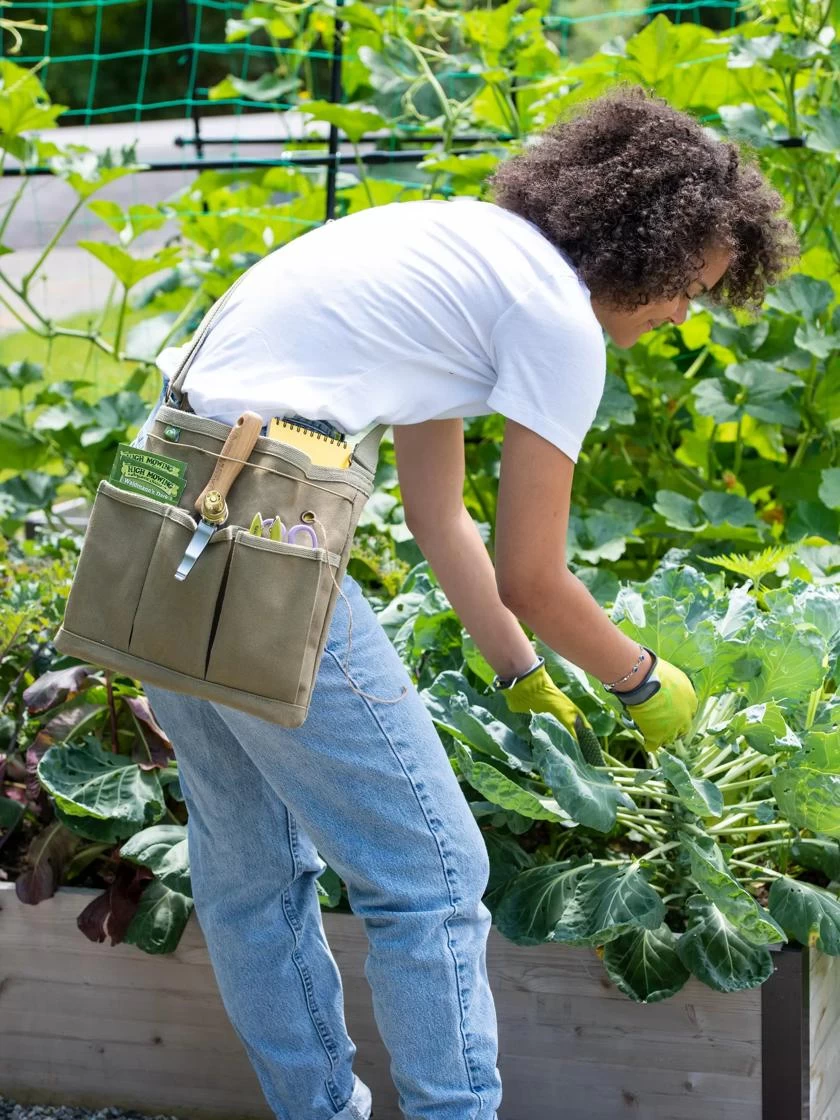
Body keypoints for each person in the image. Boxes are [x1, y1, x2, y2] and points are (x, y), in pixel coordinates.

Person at [134, 85, 796, 1120]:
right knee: (433, 876)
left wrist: (521, 672)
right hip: (261, 529)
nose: (680, 315)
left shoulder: (467, 252)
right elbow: (536, 574)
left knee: (250, 874)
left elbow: (440, 518)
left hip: (160, 511)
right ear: (643, 244)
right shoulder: (556, 317)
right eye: (687, 287)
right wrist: (640, 679)